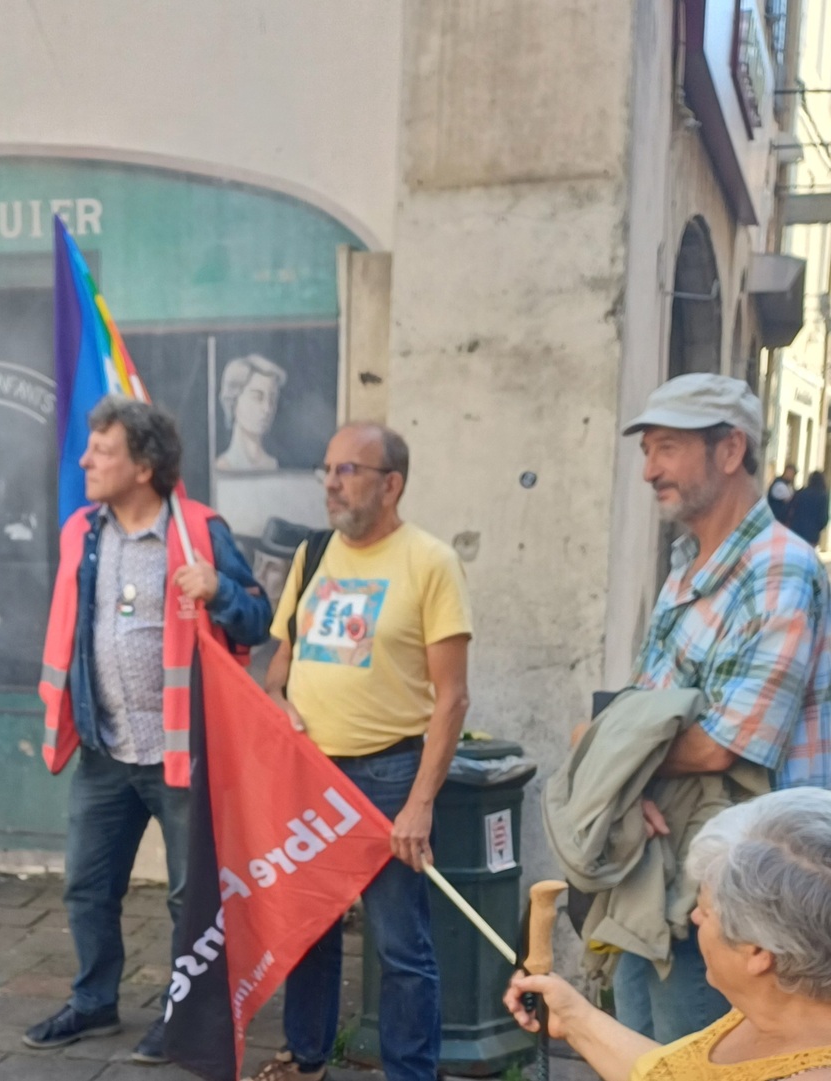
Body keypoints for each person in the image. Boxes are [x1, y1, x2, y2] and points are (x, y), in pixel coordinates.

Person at [25, 396, 272, 1064]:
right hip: (105, 750)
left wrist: (220, 589)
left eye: (102, 451)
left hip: (181, 755)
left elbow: (258, 620)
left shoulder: (200, 532)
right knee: (86, 885)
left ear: (144, 466)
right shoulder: (82, 532)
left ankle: (182, 1014)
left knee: (191, 899)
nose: (85, 461)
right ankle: (94, 1001)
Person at [607, 372, 831, 1042]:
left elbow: (723, 743)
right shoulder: (688, 565)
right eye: (647, 450)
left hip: (744, 903)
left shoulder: (779, 569)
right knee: (644, 1053)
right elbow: (644, 712)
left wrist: (613, 763)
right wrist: (627, 777)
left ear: (731, 450)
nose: (650, 470)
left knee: (697, 1058)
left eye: (668, 447)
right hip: (662, 868)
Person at [250, 422, 473, 1081]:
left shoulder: (430, 562)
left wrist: (420, 804)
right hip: (309, 775)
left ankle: (410, 1073)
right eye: (327, 469)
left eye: (348, 470)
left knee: (402, 947)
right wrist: (279, 701)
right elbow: (278, 667)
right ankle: (306, 1059)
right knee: (306, 929)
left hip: (389, 774)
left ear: (391, 484)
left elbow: (453, 697)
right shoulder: (312, 554)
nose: (330, 483)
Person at [506, 788, 831, 1081]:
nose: (695, 917)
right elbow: (673, 1073)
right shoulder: (773, 1012)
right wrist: (573, 1019)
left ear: (757, 951)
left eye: (706, 911)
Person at [215, 353, 287, 472]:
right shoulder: (222, 466)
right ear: (234, 400)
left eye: (272, 399)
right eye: (257, 397)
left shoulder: (273, 465)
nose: (267, 408)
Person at [789, 471, 829, 548]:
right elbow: (823, 518)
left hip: (797, 530)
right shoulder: (822, 496)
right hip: (812, 534)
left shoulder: (801, 493)